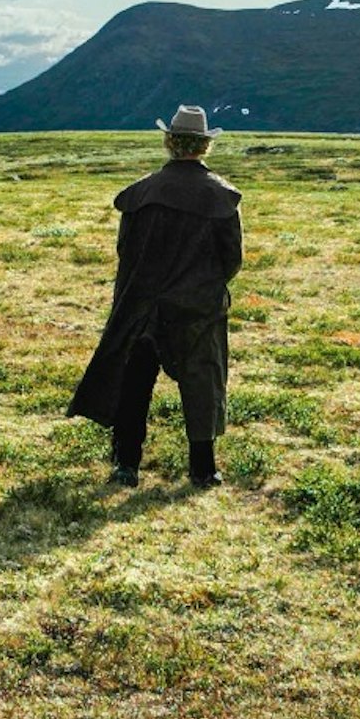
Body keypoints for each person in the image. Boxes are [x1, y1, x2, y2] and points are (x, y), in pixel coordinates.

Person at [67, 105, 243, 488]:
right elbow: (232, 260)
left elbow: (125, 252)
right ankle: (203, 470)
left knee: (135, 383)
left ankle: (126, 464)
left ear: (170, 142)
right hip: (197, 307)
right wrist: (201, 289)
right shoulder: (220, 197)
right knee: (202, 380)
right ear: (203, 146)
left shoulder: (141, 193)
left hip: (142, 304)